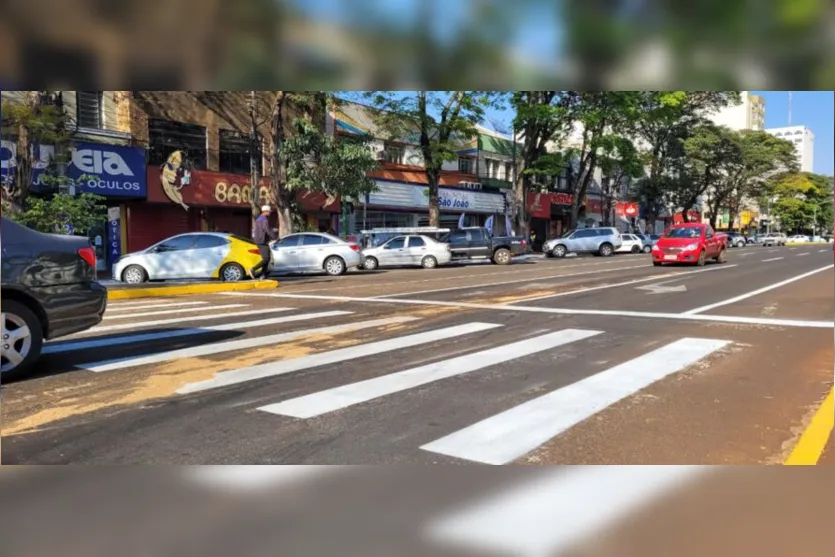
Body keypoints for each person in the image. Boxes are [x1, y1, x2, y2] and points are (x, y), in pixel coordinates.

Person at [250, 205, 277, 280]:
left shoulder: (259, 219)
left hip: (261, 240)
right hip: (262, 241)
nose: (270, 213)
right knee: (266, 258)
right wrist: (274, 237)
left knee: (267, 259)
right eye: (269, 211)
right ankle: (253, 269)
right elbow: (267, 230)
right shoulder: (264, 219)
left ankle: (263, 275)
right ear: (265, 211)